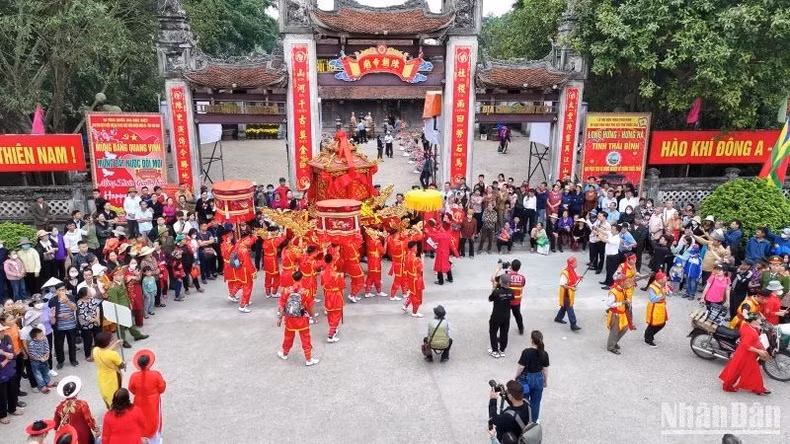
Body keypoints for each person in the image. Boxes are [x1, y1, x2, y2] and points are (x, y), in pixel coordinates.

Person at [719, 312, 771, 395]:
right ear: (753, 321)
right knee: (740, 370)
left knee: (750, 370)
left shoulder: (748, 326)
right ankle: (728, 385)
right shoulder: (749, 331)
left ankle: (758, 388)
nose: (760, 320)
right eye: (758, 319)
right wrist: (759, 351)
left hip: (746, 353)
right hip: (745, 354)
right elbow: (746, 346)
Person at [277, 271, 319, 366]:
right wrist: (313, 317)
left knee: (288, 337)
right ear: (302, 278)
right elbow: (310, 306)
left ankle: (284, 354)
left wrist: (280, 318)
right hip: (302, 319)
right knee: (305, 338)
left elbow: (282, 305)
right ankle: (308, 359)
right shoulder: (305, 291)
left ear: (292, 278)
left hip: (289, 319)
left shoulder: (286, 290)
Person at [129, 349, 166, 444]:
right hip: (153, 402)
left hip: (139, 401)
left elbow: (131, 389)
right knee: (154, 420)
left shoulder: (134, 376)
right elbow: (162, 388)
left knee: (140, 420)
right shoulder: (156, 374)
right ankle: (154, 441)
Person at [106, 268, 149, 347]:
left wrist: (129, 303)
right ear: (114, 277)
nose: (122, 276)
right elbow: (114, 302)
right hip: (120, 309)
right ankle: (122, 341)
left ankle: (137, 335)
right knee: (121, 326)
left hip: (126, 306)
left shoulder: (121, 282)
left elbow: (125, 294)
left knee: (130, 322)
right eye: (119, 275)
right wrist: (119, 311)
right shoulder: (112, 288)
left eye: (122, 275)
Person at [515, 330, 549, 422]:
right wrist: (545, 381)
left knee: (524, 399)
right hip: (538, 381)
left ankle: (524, 419)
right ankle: (534, 421)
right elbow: (545, 370)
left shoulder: (526, 352)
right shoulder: (544, 353)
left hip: (525, 381)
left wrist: (516, 377)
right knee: (536, 402)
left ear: (531, 339)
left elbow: (521, 367)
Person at [54, 376, 99, 444]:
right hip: (83, 432)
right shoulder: (82, 404)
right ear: (76, 392)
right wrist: (96, 429)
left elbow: (56, 425)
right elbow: (89, 420)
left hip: (68, 435)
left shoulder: (59, 407)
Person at [47, 280, 78, 369]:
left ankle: (73, 359)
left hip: (71, 325)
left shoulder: (70, 297)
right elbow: (50, 313)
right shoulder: (52, 300)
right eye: (59, 290)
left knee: (72, 343)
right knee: (59, 345)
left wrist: (67, 302)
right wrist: (59, 316)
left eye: (63, 289)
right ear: (56, 291)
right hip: (59, 327)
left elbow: (75, 308)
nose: (62, 291)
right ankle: (60, 361)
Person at [92, 331, 124, 408]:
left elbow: (105, 351)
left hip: (102, 376)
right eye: (111, 340)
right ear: (107, 343)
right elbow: (121, 366)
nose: (112, 341)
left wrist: (116, 344)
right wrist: (124, 363)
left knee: (106, 393)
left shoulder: (95, 350)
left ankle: (109, 407)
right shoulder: (113, 354)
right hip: (113, 377)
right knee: (116, 393)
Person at [0, 319, 24, 424]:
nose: (3, 332)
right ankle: (2, 415)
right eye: (1, 331)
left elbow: (13, 354)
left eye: (3, 330)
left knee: (12, 390)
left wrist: (7, 356)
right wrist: (6, 358)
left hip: (10, 370)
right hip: (1, 374)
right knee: (2, 395)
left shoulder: (6, 338)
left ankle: (12, 408)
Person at [489, 273, 514, 358]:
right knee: (504, 333)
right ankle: (502, 350)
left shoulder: (497, 292)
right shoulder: (511, 291)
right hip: (506, 316)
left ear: (501, 281)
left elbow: (490, 299)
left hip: (496, 316)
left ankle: (495, 351)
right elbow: (511, 298)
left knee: (493, 332)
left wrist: (494, 288)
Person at [606, 278, 633, 354]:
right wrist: (621, 303)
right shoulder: (614, 291)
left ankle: (614, 342)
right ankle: (611, 346)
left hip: (622, 313)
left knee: (625, 328)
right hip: (615, 314)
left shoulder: (623, 289)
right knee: (614, 331)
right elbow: (609, 304)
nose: (627, 283)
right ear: (621, 282)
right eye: (626, 282)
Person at [555, 257, 582, 330]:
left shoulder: (572, 270)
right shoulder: (565, 273)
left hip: (569, 292)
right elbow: (562, 284)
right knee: (570, 308)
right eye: (575, 263)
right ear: (571, 264)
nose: (576, 264)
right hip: (566, 293)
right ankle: (573, 324)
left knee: (564, 306)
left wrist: (578, 277)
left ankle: (558, 318)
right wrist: (571, 288)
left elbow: (573, 277)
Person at [644, 271, 669, 347]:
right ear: (659, 279)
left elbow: (669, 293)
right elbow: (653, 299)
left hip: (661, 306)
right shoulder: (652, 287)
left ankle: (648, 335)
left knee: (661, 323)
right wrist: (662, 295)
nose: (666, 280)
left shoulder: (663, 284)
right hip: (654, 307)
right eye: (664, 279)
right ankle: (648, 338)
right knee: (653, 324)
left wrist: (667, 291)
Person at [26, 327, 53, 393]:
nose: (43, 337)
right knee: (38, 375)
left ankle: (48, 382)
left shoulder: (44, 339)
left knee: (46, 371)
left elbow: (47, 347)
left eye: (43, 335)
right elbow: (32, 354)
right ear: (34, 338)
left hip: (44, 359)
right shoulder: (31, 344)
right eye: (40, 336)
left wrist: (47, 355)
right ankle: (42, 386)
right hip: (35, 362)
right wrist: (40, 358)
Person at [402, 241, 425, 317]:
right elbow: (421, 269)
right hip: (416, 279)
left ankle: (405, 306)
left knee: (412, 293)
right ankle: (414, 312)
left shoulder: (407, 256)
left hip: (410, 278)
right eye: (416, 247)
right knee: (417, 296)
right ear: (414, 247)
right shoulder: (416, 259)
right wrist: (422, 259)